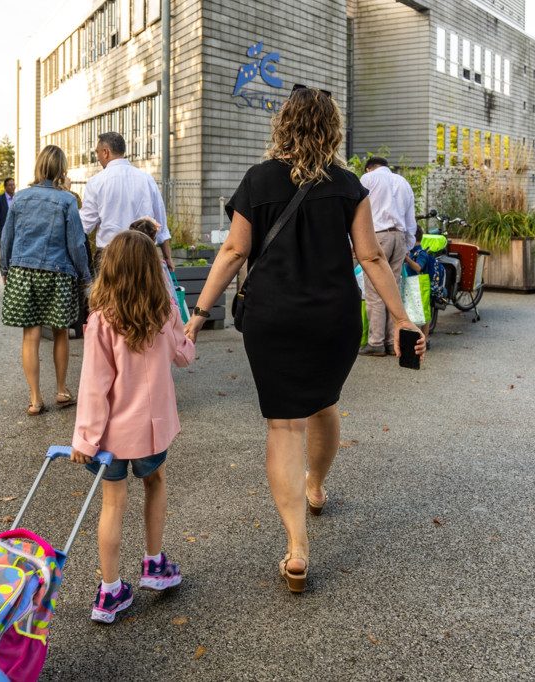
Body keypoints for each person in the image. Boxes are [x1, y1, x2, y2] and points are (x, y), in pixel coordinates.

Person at [185, 85, 425, 594]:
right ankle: (315, 487)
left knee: (283, 424)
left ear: (285, 125)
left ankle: (297, 548)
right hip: (332, 319)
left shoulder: (258, 180)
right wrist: (402, 318)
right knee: (323, 404)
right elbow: (372, 258)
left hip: (273, 319)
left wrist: (199, 312)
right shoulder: (348, 186)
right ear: (331, 128)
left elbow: (232, 252)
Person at [70, 230, 195, 624]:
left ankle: (110, 591)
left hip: (110, 435)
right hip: (153, 429)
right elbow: (184, 357)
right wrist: (188, 331)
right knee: (155, 483)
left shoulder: (101, 321)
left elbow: (94, 385)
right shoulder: (165, 311)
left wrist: (84, 438)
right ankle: (154, 565)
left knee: (112, 504)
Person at [0, 145, 91, 415]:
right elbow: (76, 243)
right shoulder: (66, 201)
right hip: (58, 272)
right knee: (61, 331)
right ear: (62, 170)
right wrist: (85, 275)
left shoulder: (21, 198)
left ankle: (35, 398)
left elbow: (7, 238)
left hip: (23, 271)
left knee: (31, 335)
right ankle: (62, 390)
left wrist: (6, 269)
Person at [79, 132, 175, 272]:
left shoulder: (96, 182)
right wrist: (168, 258)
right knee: (142, 295)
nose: (97, 157)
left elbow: (85, 225)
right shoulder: (147, 180)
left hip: (109, 257)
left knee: (108, 295)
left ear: (106, 152)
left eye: (97, 152)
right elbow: (161, 225)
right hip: (143, 256)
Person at [359, 157, 418, 356]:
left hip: (377, 236)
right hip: (399, 236)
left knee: (375, 290)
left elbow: (357, 213)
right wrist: (408, 244)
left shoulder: (368, 179)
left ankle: (376, 342)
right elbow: (411, 219)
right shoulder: (403, 182)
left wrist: (353, 244)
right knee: (393, 288)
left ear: (369, 168)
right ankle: (394, 341)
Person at [0, 178, 15, 254]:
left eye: (13, 184)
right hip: (2, 235)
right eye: (10, 185)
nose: (12, 187)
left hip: (16, 235)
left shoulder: (18, 199)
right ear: (5, 187)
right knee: (3, 259)